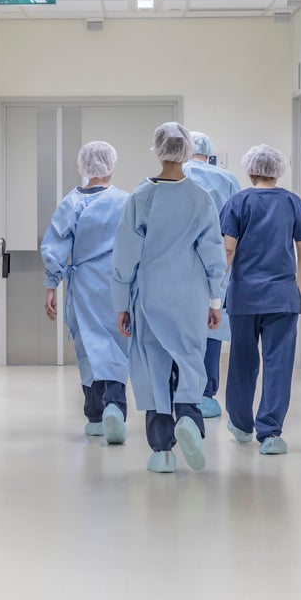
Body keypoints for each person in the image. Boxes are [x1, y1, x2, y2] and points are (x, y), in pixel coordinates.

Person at [112, 123, 227, 473]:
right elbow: (214, 256)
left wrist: (121, 305)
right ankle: (189, 417)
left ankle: (162, 451)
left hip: (149, 297)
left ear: (158, 150)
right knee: (190, 360)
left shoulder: (140, 199)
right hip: (190, 297)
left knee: (154, 368)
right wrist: (214, 301)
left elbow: (125, 257)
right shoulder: (200, 198)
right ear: (188, 150)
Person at [220, 144, 301, 455]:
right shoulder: (292, 202)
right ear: (278, 171)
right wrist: (296, 286)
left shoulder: (238, 202)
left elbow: (228, 250)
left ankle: (240, 423)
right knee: (279, 364)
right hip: (282, 298)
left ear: (250, 170)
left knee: (241, 362)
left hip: (244, 296)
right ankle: (271, 433)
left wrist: (216, 289)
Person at [41, 141, 132, 445]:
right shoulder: (125, 201)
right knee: (117, 345)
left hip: (83, 286)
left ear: (83, 166)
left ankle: (94, 416)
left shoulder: (72, 202)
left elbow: (55, 248)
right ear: (111, 165)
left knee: (89, 348)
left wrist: (51, 285)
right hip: (118, 283)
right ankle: (115, 407)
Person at [183, 131, 242, 419]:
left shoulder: (172, 177)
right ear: (210, 153)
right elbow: (237, 229)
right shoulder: (227, 180)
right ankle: (205, 395)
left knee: (177, 329)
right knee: (212, 323)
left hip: (176, 265)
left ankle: (179, 391)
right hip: (218, 263)